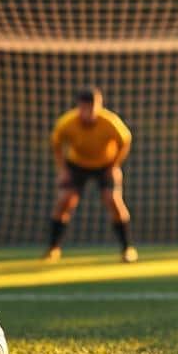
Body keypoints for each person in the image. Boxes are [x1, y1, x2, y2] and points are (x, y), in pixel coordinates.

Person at [45, 87, 136, 263]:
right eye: (85, 107)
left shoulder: (110, 122)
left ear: (99, 105)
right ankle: (53, 248)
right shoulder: (67, 123)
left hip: (105, 164)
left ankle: (127, 248)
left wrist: (115, 166)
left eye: (93, 106)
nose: (89, 111)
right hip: (76, 165)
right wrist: (63, 170)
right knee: (65, 200)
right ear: (79, 106)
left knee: (113, 199)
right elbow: (56, 144)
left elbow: (125, 141)